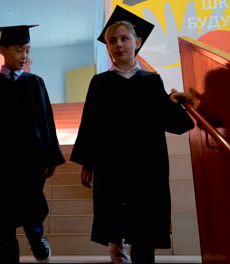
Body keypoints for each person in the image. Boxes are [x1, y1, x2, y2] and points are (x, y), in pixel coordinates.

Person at [70, 6, 195, 264]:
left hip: (147, 163)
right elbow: (90, 125)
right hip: (111, 162)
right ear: (107, 47)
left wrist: (176, 103)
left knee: (145, 223)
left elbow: (169, 121)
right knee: (114, 214)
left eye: (124, 39)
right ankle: (116, 247)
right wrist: (87, 162)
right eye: (112, 41)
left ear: (137, 43)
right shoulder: (100, 83)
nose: (118, 45)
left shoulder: (152, 81)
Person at [0, 25, 66, 264]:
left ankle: (37, 240)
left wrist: (51, 157)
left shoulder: (35, 82)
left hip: (31, 161)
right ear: (3, 50)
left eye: (27, 50)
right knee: (0, 216)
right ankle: (8, 258)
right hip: (1, 162)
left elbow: (47, 121)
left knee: (31, 209)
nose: (24, 55)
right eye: (18, 50)